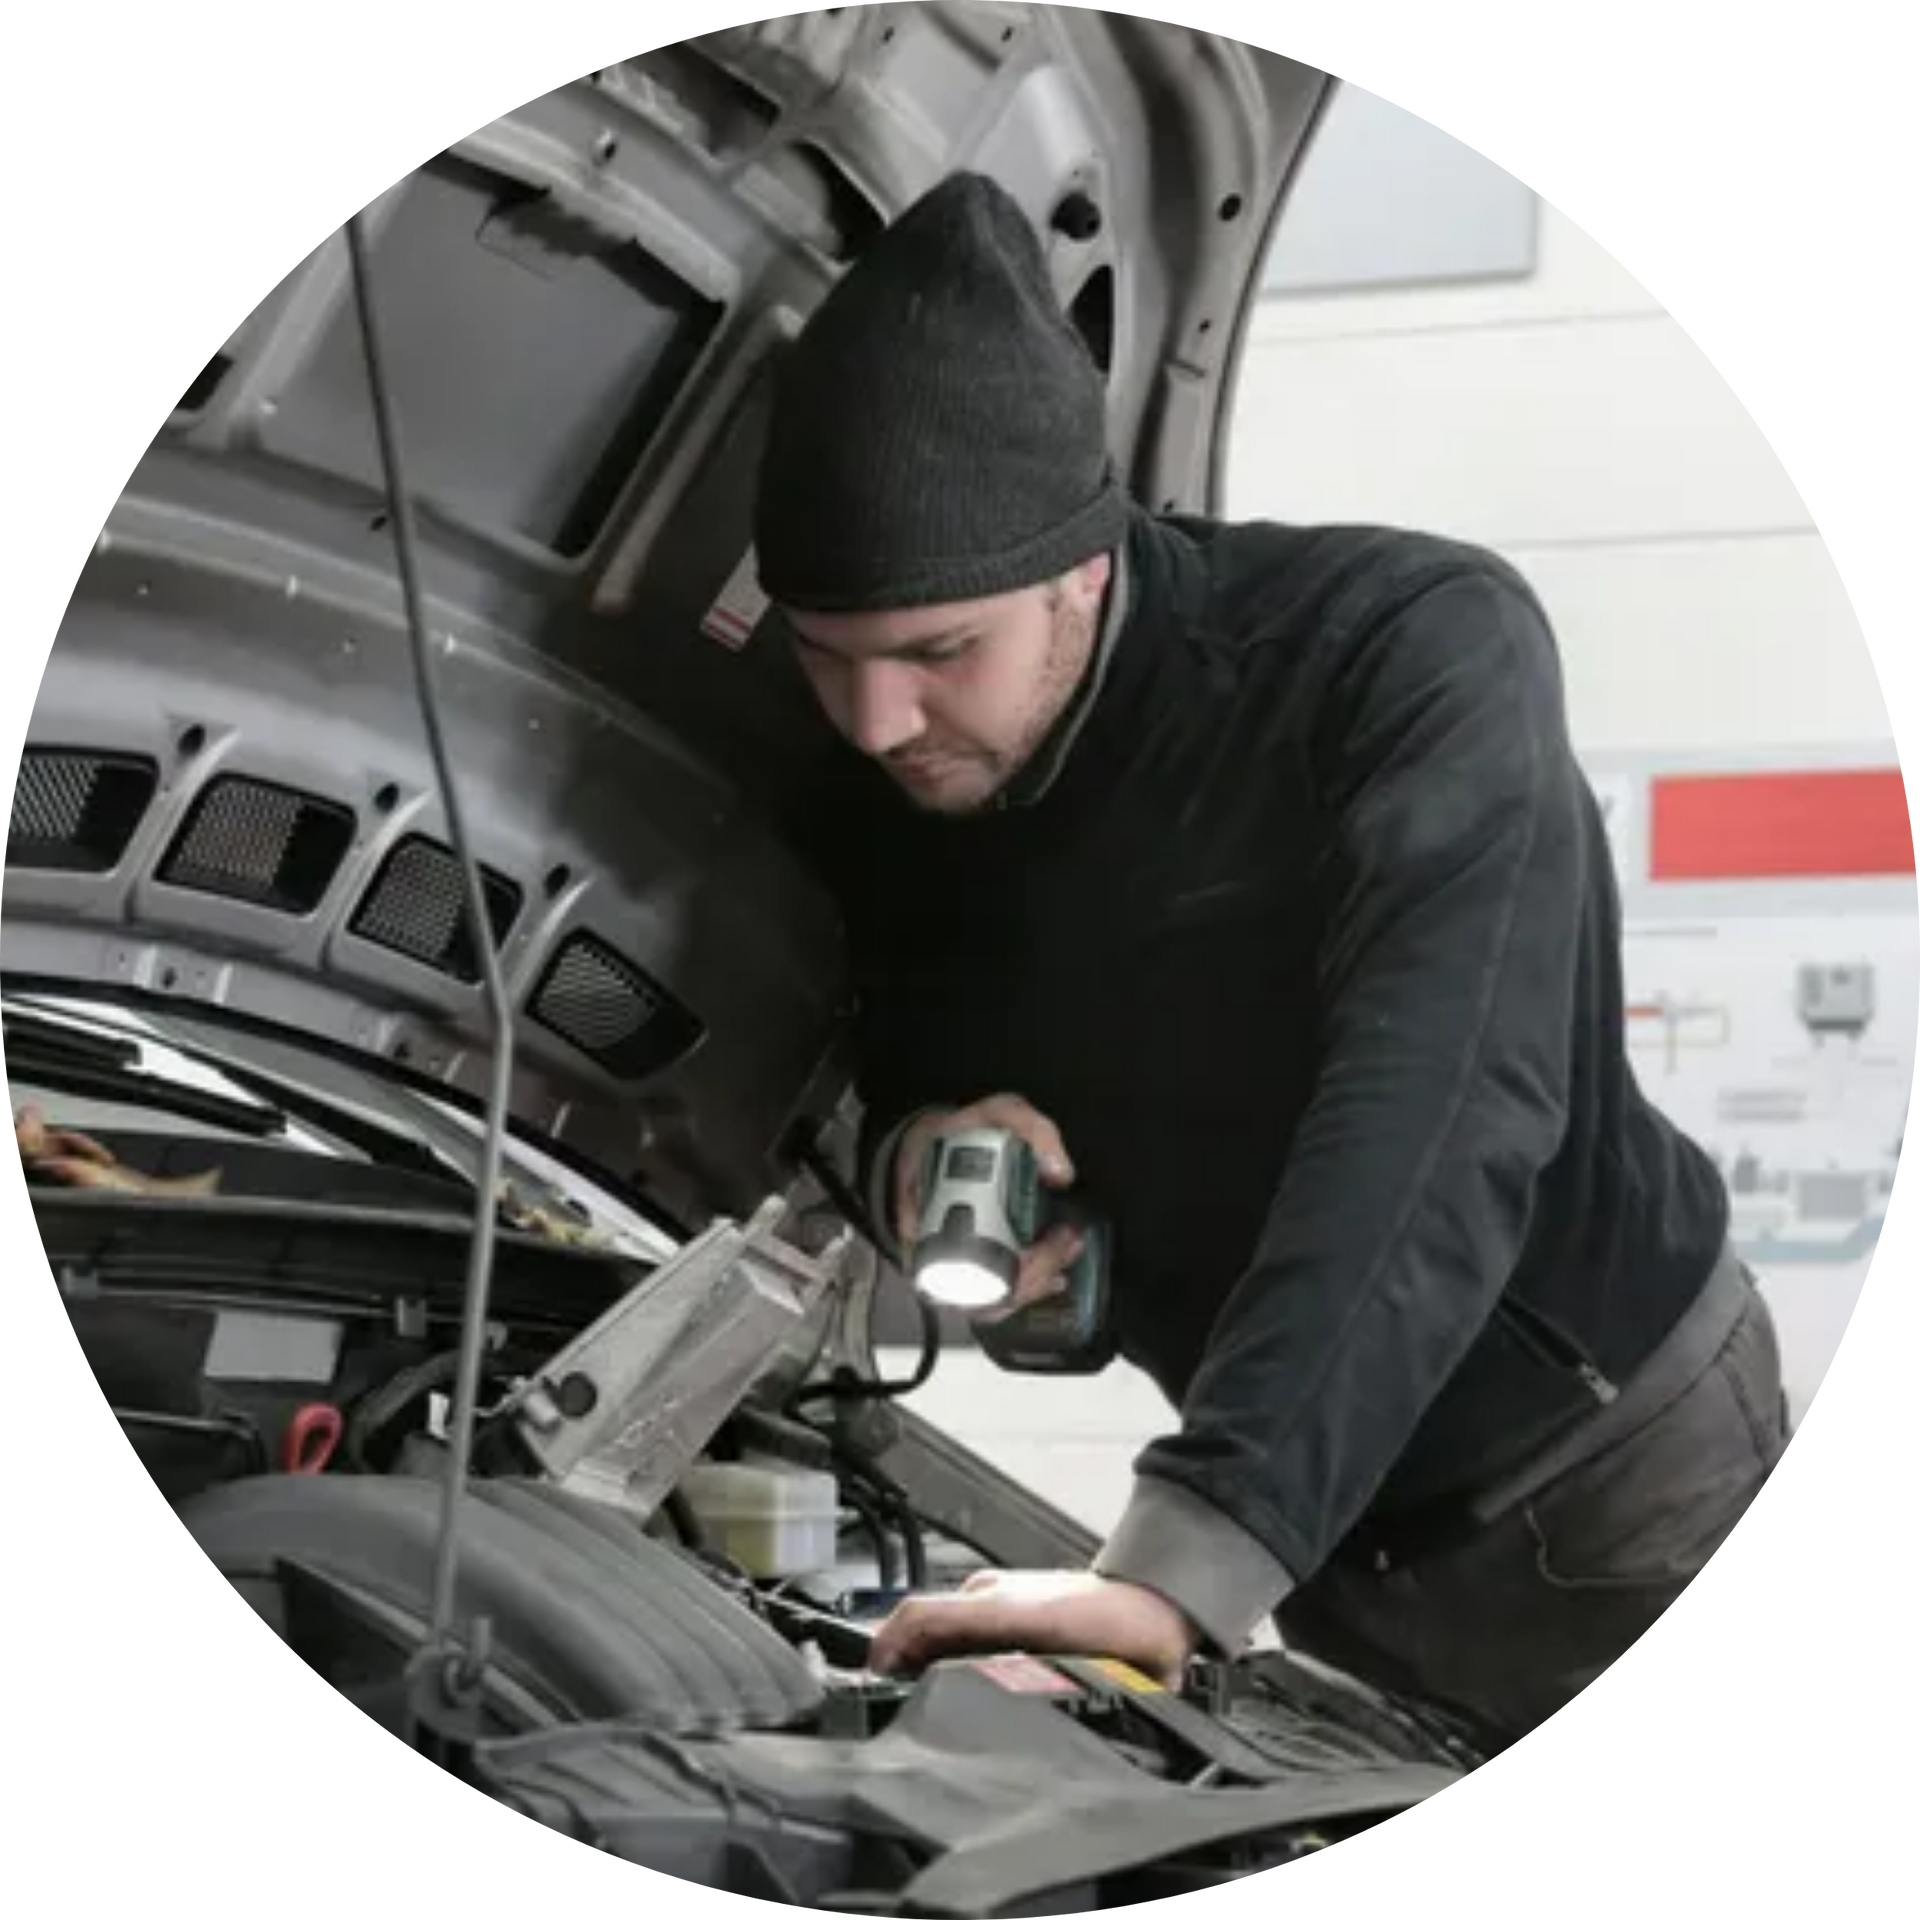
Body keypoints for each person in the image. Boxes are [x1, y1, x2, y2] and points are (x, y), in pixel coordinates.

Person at [751, 170, 1790, 1759]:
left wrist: (1187, 1556)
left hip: (1619, 1488)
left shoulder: (1401, 654)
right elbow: (894, 1046)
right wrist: (915, 1162)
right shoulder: (886, 782)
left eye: (936, 654)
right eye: (828, 661)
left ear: (1083, 567)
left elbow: (1443, 1113)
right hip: (1329, 1540)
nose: (877, 723)